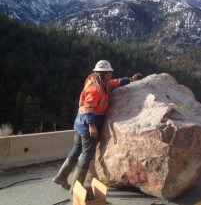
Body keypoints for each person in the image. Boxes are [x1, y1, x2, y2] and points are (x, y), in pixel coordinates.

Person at [52, 60, 142, 193]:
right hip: (87, 126)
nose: (111, 75)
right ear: (104, 74)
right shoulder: (95, 89)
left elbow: (114, 83)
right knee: (86, 155)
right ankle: (75, 188)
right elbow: (87, 108)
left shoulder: (100, 83)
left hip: (80, 124)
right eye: (109, 73)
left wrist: (129, 80)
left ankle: (61, 177)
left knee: (77, 150)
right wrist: (92, 126)